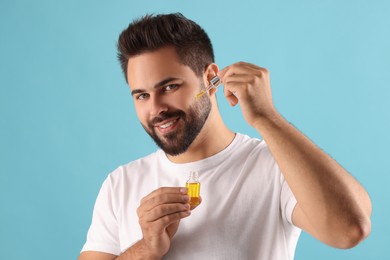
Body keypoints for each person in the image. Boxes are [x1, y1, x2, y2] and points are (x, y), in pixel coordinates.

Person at [79, 13, 372, 260]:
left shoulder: (275, 167)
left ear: (210, 79)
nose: (156, 109)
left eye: (169, 87)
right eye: (142, 95)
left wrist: (266, 117)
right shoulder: (120, 183)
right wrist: (146, 248)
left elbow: (350, 229)